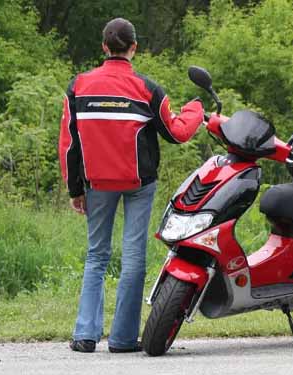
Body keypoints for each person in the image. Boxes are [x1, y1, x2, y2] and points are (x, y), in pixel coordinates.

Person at [58, 18, 204, 353]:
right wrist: (195, 109)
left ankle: (85, 335)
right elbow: (178, 132)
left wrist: (74, 189)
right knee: (134, 255)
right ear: (134, 48)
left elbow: (69, 144)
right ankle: (123, 339)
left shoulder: (78, 86)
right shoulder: (148, 89)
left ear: (104, 47)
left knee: (96, 254)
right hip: (139, 183)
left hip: (96, 183)